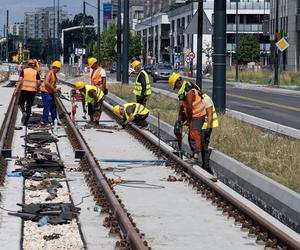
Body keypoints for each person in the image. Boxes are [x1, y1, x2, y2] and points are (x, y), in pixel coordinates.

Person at [169, 73, 206, 161]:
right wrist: (180, 117)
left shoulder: (188, 89)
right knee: (191, 135)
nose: (176, 88)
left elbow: (189, 107)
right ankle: (193, 154)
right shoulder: (184, 88)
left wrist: (189, 120)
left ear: (178, 82)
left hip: (198, 114)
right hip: (193, 114)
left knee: (194, 134)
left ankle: (196, 156)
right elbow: (184, 106)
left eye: (175, 86)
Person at [15, 59, 41, 126]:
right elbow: (38, 82)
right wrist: (37, 90)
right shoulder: (36, 72)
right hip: (32, 91)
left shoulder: (24, 71)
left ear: (28, 64)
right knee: (29, 106)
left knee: (20, 103)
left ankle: (23, 112)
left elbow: (20, 81)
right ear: (33, 65)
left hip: (24, 90)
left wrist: (16, 90)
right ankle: (25, 122)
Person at [39, 60, 61, 127]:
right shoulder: (50, 73)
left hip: (49, 92)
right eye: (58, 68)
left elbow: (52, 83)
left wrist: (56, 89)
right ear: (55, 67)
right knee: (47, 107)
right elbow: (46, 82)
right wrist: (54, 89)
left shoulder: (54, 74)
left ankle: (54, 120)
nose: (59, 70)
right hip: (45, 92)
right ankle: (44, 121)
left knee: (53, 107)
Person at [201, 92, 218, 172]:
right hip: (201, 127)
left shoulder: (205, 99)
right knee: (201, 145)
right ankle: (203, 163)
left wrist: (208, 128)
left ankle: (206, 166)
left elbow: (210, 115)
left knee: (204, 145)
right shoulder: (199, 100)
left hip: (206, 127)